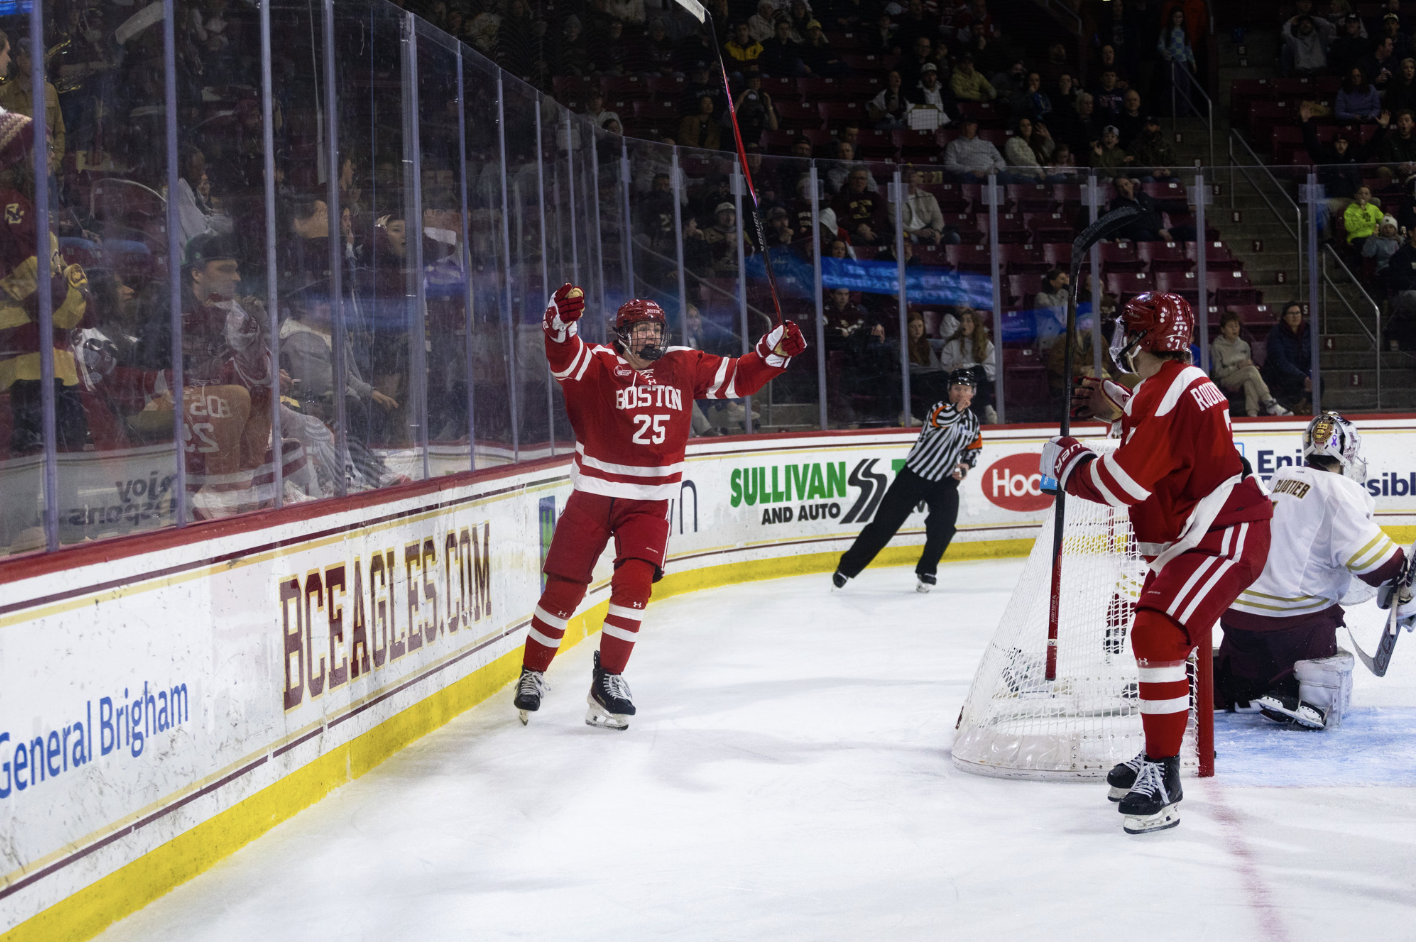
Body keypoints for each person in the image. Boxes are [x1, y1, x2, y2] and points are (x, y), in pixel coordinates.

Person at [513, 287, 806, 729]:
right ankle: (532, 673)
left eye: (656, 327)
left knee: (634, 591)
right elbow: (561, 350)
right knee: (563, 590)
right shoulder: (596, 364)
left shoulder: (684, 363)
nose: (651, 335)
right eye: (641, 328)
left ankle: (607, 679)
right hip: (594, 496)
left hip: (649, 505)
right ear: (622, 333)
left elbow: (741, 377)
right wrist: (558, 320)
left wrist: (774, 351)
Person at [1049, 292, 1273, 834]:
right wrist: (1122, 402)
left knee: (1156, 633)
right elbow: (1165, 432)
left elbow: (1123, 482)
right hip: (1204, 535)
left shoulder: (1166, 392)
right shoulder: (1168, 385)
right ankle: (1158, 755)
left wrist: (1067, 461)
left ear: (1137, 339)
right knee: (1156, 636)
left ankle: (1165, 777)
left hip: (1223, 536)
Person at [1220, 413, 1415, 728]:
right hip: (1290, 630)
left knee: (1247, 669)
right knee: (1327, 619)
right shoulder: (1340, 491)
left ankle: (1239, 687)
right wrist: (1403, 581)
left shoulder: (1280, 476)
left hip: (1236, 623)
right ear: (1348, 452)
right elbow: (1382, 565)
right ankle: (1303, 696)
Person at [832, 369, 983, 593]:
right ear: (949, 390)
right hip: (913, 476)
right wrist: (958, 408)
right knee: (883, 526)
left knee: (944, 526)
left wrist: (966, 465)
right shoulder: (938, 409)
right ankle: (846, 568)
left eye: (966, 390)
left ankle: (927, 571)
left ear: (974, 393)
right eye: (957, 389)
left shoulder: (972, 422)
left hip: (944, 481)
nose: (962, 393)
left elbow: (974, 448)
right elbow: (942, 420)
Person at [1209, 311, 1291, 416]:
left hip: (1244, 376)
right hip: (1225, 379)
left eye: (1237, 325)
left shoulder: (1244, 345)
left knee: (1249, 379)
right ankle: (1269, 402)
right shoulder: (1217, 346)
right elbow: (1218, 373)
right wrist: (1238, 367)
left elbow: (1247, 368)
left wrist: (1250, 367)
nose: (1235, 329)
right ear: (1223, 329)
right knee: (1250, 372)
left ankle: (1252, 415)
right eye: (1230, 326)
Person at [938, 308, 997, 422]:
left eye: (968, 320)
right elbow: (945, 369)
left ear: (976, 324)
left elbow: (992, 369)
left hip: (978, 384)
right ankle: (986, 408)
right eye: (962, 320)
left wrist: (966, 366)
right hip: (958, 383)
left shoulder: (986, 345)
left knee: (979, 369)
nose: (964, 323)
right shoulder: (952, 345)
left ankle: (988, 410)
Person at [1264, 301, 1316, 410]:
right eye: (1291, 313)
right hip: (1283, 373)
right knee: (1292, 383)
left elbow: (1313, 357)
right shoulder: (1276, 332)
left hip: (1302, 373)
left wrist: (1308, 376)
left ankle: (1306, 406)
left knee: (1318, 381)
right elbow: (1280, 361)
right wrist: (1303, 377)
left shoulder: (1308, 330)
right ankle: (1300, 406)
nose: (1295, 316)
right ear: (1284, 317)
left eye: (1298, 313)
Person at [943, 117, 1009, 182]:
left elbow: (1001, 161)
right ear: (960, 127)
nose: (966, 128)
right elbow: (950, 164)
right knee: (966, 178)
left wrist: (993, 169)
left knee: (1005, 176)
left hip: (991, 173)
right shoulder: (953, 145)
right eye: (964, 126)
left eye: (969, 125)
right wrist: (969, 170)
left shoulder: (987, 144)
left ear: (975, 126)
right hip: (970, 175)